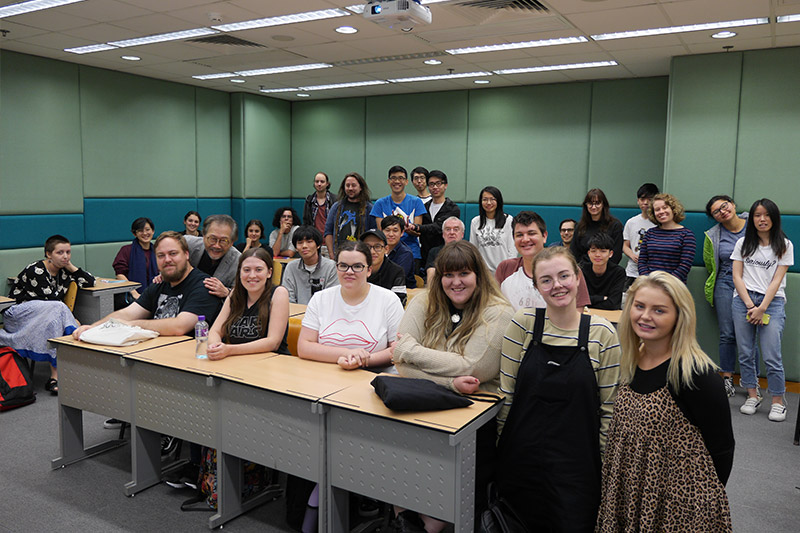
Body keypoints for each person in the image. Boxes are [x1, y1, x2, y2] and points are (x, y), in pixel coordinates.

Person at [596, 271, 734, 532]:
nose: (645, 316)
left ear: (679, 317)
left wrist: (693, 504)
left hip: (677, 505)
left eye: (659, 310)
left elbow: (722, 449)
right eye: (639, 306)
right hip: (629, 492)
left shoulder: (694, 374)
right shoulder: (631, 361)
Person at [391, 240, 514, 532]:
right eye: (448, 275)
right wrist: (448, 381)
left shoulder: (499, 311)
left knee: (439, 506)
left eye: (464, 274)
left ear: (479, 276)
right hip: (424, 404)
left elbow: (473, 367)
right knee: (399, 481)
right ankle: (406, 520)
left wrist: (411, 351)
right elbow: (398, 359)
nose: (456, 282)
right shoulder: (424, 301)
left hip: (475, 417)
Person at [496, 246, 621, 532]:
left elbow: (609, 409)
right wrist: (502, 450)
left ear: (578, 278)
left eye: (564, 276)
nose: (557, 286)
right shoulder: (524, 324)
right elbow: (507, 394)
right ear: (537, 287)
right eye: (546, 280)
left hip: (577, 467)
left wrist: (600, 466)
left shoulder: (602, 333)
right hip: (522, 458)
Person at [73, 231, 223, 441]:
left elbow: (181, 326)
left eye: (173, 253)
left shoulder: (203, 285)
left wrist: (131, 325)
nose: (167, 260)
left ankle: (163, 429)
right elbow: (128, 312)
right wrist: (94, 327)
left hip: (188, 367)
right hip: (153, 357)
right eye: (161, 256)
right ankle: (133, 415)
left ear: (187, 254)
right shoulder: (160, 284)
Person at [1, 235, 95, 394]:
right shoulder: (36, 270)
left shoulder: (64, 271)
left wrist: (71, 267)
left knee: (56, 318)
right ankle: (66, 371)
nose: (65, 256)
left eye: (68, 252)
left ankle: (56, 376)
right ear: (48, 254)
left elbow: (89, 282)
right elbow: (51, 299)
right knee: (58, 310)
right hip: (18, 315)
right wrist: (73, 320)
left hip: (48, 315)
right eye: (60, 253)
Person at [297, 241, 404, 371]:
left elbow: (398, 349)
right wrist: (346, 353)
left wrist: (361, 361)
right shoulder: (320, 299)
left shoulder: (389, 300)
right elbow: (304, 347)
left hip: (373, 375)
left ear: (369, 270)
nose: (349, 272)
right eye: (343, 266)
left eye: (357, 266)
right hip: (325, 374)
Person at [732, 198, 793, 422]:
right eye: (757, 215)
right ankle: (752, 394)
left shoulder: (785, 245)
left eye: (766, 215)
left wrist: (762, 308)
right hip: (743, 301)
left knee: (771, 354)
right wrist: (750, 305)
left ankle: (778, 401)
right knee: (746, 352)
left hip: (772, 302)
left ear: (774, 218)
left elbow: (777, 280)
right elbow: (736, 276)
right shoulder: (742, 244)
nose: (762, 219)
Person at [495, 211, 590, 311]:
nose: (525, 239)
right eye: (519, 235)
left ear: (544, 236)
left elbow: (577, 314)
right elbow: (496, 307)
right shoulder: (505, 268)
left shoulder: (569, 270)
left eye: (531, 233)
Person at [207, 247, 290, 359]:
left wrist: (229, 350)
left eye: (258, 270)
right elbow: (215, 331)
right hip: (236, 360)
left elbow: (273, 343)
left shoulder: (279, 293)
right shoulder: (234, 294)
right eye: (246, 270)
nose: (252, 275)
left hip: (271, 363)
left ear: (269, 273)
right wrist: (215, 347)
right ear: (240, 272)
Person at [704, 194, 749, 397]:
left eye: (724, 205)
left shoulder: (754, 224)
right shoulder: (713, 234)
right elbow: (709, 263)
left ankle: (751, 381)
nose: (723, 211)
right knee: (727, 333)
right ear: (714, 217)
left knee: (749, 334)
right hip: (725, 282)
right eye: (717, 211)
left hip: (752, 283)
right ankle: (727, 380)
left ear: (733, 204)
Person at [371, 165, 427, 273]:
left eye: (401, 178)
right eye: (393, 178)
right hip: (385, 252)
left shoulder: (416, 202)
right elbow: (380, 233)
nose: (397, 181)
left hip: (412, 252)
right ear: (388, 181)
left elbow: (417, 231)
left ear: (406, 182)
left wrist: (408, 229)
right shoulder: (380, 204)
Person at [405, 170, 461, 276]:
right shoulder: (423, 208)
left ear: (445, 185)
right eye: (431, 184)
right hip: (424, 256)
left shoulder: (453, 208)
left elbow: (438, 227)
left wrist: (417, 227)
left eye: (438, 183)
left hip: (446, 257)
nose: (435, 187)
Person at [637, 193, 696, 283]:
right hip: (650, 285)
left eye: (665, 207)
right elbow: (642, 261)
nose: (661, 212)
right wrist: (649, 281)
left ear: (673, 209)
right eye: (657, 210)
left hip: (674, 286)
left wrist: (666, 283)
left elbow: (685, 265)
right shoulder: (650, 233)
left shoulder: (687, 235)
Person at [185, 214, 241, 298]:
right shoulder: (188, 243)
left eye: (224, 241)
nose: (217, 246)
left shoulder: (239, 261)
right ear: (203, 235)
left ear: (232, 242)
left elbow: (242, 296)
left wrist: (227, 292)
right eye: (212, 239)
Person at [281, 226, 338, 305]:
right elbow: (288, 298)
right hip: (295, 315)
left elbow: (331, 299)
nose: (304, 246)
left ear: (318, 245)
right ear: (296, 248)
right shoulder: (291, 267)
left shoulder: (331, 267)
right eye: (300, 243)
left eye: (309, 241)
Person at [324, 172, 376, 256]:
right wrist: (331, 254)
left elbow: (373, 235)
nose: (350, 188)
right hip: (339, 254)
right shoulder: (336, 207)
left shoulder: (369, 208)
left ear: (361, 187)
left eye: (354, 185)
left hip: (361, 255)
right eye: (347, 185)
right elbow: (328, 232)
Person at [571, 188, 624, 265]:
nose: (593, 207)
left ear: (603, 204)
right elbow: (574, 253)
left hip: (607, 271)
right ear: (586, 205)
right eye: (590, 203)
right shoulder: (579, 226)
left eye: (597, 203)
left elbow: (616, 254)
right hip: (584, 270)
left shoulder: (615, 226)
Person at [469, 186, 515, 273]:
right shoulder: (475, 222)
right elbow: (473, 249)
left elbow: (512, 249)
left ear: (498, 201)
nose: (488, 203)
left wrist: (508, 269)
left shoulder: (508, 220)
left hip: (504, 271)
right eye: (485, 199)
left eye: (492, 199)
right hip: (484, 273)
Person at [112, 217, 158, 302]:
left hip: (156, 294)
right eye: (140, 231)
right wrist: (134, 293)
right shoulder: (126, 250)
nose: (145, 233)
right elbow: (120, 275)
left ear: (153, 231)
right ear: (134, 234)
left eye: (148, 229)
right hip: (133, 296)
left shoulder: (158, 251)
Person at [622, 183, 659, 288]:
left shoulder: (659, 222)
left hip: (653, 273)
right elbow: (625, 245)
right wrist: (632, 255)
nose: (646, 203)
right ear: (638, 201)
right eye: (642, 199)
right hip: (632, 272)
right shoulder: (631, 222)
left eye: (649, 199)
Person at [581, 232, 626, 310]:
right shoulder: (582, 270)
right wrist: (602, 298)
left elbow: (613, 304)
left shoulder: (618, 272)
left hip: (610, 315)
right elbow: (578, 300)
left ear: (610, 254)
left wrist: (590, 300)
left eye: (603, 251)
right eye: (593, 251)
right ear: (589, 253)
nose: (597, 255)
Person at [361, 229, 406, 305]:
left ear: (386, 249)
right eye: (367, 247)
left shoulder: (396, 271)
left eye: (377, 247)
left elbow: (399, 303)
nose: (372, 251)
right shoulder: (354, 269)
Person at [425, 216, 464, 281]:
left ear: (462, 234)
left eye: (456, 229)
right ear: (443, 234)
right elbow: (431, 272)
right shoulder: (434, 252)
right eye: (448, 229)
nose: (451, 232)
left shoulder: (469, 252)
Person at [381, 215, 416, 288]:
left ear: (402, 233)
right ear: (381, 231)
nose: (391, 234)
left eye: (395, 230)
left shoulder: (406, 253)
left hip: (403, 292)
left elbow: (396, 278)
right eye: (387, 230)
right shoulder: (377, 249)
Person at [302, 171, 334, 238]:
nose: (319, 184)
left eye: (322, 182)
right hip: (314, 238)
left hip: (330, 238)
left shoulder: (334, 200)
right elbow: (306, 222)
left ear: (327, 184)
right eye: (317, 181)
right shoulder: (309, 201)